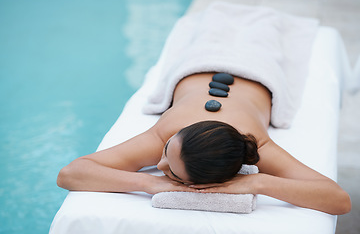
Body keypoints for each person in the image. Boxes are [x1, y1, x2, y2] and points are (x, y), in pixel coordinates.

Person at [57, 72, 351, 215]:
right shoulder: (169, 136)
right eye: (167, 157)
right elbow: (69, 174)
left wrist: (258, 184)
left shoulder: (256, 145)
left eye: (170, 170)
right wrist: (152, 184)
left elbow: (339, 200)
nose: (157, 165)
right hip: (198, 64)